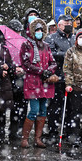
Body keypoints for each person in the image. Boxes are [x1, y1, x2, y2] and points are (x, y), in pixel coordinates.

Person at [20, 18, 57, 148]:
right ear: (32, 31)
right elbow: (26, 63)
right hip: (33, 83)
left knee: (43, 110)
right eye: (37, 30)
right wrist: (41, 71)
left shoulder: (46, 46)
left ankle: (38, 138)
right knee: (34, 110)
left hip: (45, 84)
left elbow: (53, 62)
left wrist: (49, 71)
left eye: (41, 30)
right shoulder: (26, 45)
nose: (39, 32)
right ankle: (25, 138)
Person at [45, 14, 75, 144]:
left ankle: (68, 133)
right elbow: (50, 55)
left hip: (71, 78)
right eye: (66, 23)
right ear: (59, 24)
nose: (69, 25)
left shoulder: (74, 38)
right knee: (54, 108)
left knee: (70, 108)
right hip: (57, 77)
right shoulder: (51, 38)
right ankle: (52, 132)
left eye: (70, 23)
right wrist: (68, 54)